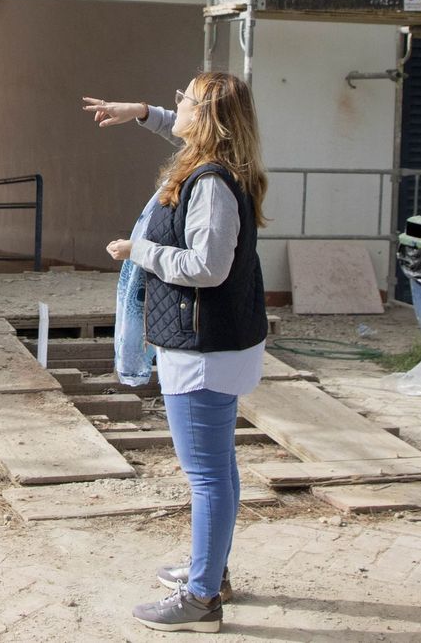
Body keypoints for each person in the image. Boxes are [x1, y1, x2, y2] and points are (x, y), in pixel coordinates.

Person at [83, 72, 269, 634]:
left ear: (206, 116)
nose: (175, 106)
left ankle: (201, 599)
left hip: (203, 348)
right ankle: (210, 572)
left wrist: (138, 249)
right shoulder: (218, 161)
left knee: (208, 477)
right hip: (217, 342)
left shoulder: (209, 183)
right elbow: (184, 132)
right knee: (220, 471)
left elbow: (206, 268)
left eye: (182, 100)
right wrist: (141, 111)